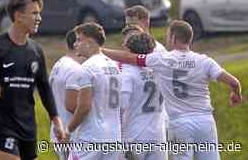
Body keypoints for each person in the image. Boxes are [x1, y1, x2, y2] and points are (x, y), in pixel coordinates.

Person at [102, 20, 243, 160]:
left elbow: (129, 57)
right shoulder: (205, 61)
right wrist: (235, 94)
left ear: (174, 38)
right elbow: (234, 82)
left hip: (179, 123)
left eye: (168, 35)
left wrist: (100, 50)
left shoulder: (162, 59)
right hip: (205, 120)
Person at [0, 0, 66, 160]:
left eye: (39, 14)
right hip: (1, 125)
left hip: (27, 126)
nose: (39, 18)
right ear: (18, 16)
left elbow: (44, 87)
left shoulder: (36, 51)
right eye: (34, 13)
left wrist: (56, 119)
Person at [67, 22, 122, 160]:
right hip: (114, 137)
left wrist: (68, 130)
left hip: (91, 137)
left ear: (90, 43)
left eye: (79, 40)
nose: (75, 44)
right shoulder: (114, 66)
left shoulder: (87, 67)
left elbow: (84, 107)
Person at [121, 32, 166, 160]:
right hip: (158, 135)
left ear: (129, 50)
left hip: (135, 135)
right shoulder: (160, 71)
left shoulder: (128, 72)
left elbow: (122, 105)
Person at [49, 30, 86, 160]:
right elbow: (71, 105)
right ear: (77, 44)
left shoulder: (59, 64)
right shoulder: (75, 69)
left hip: (59, 131)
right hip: (70, 136)